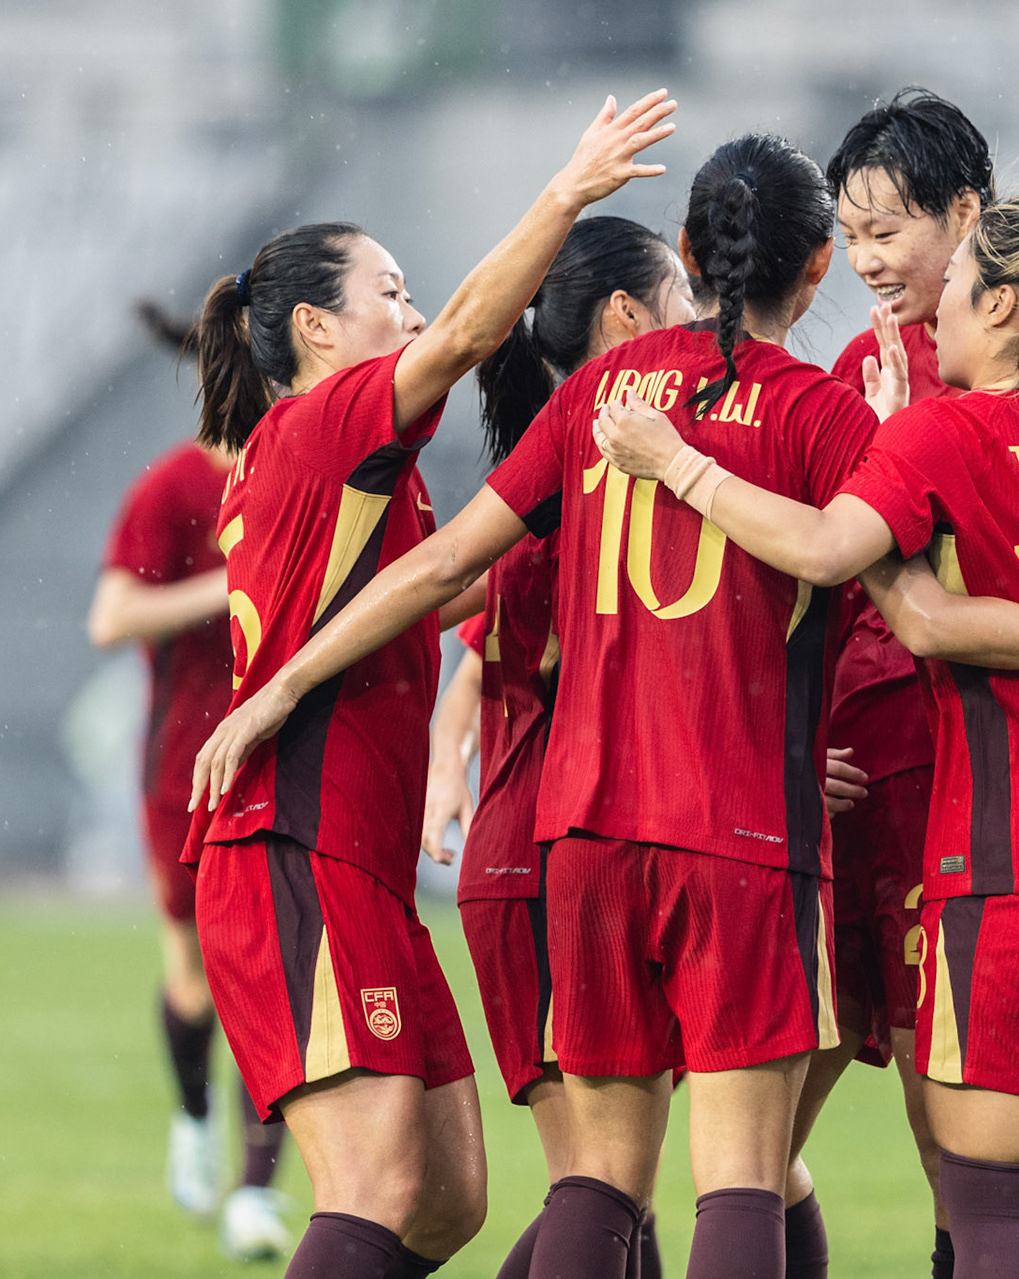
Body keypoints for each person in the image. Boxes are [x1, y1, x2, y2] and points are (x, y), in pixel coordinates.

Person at [192, 140, 1019, 1279]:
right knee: (759, 1174)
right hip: (756, 832)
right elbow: (915, 602)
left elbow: (452, 569)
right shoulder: (856, 418)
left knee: (593, 1183)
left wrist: (290, 680)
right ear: (816, 270)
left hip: (583, 831)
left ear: (692, 257)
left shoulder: (600, 394)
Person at [589, 193, 1019, 1278]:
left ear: (998, 305)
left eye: (953, 284)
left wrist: (682, 468)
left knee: (989, 1214)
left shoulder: (948, 433)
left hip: (1017, 871)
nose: (925, 301)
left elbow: (823, 551)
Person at [182, 89, 678, 1279]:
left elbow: (441, 589)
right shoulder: (320, 431)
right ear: (314, 327)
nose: (411, 313)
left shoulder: (344, 469)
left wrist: (577, 485)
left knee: (449, 1197)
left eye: (408, 292)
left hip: (355, 861)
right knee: (379, 1184)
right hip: (290, 848)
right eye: (387, 293)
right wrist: (569, 193)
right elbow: (462, 334)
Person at [421, 215, 697, 1279]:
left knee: (610, 1191)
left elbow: (483, 644)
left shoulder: (553, 479)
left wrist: (449, 753)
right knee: (604, 1188)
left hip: (536, 851)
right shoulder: (586, 492)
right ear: (627, 315)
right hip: (554, 854)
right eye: (676, 294)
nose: (693, 320)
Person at [783, 88, 998, 1279]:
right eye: (850, 235)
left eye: (888, 232)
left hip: (954, 789)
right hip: (840, 794)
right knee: (752, 1138)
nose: (866, 261)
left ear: (966, 215)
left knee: (956, 1141)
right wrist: (789, 733)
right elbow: (805, 587)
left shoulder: (1018, 376)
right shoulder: (854, 369)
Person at [86, 303, 290, 1261]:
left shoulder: (299, 466)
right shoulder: (176, 487)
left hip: (283, 758)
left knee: (274, 975)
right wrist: (233, 581)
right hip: (183, 766)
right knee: (195, 974)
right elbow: (111, 616)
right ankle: (195, 1116)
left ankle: (256, 1192)